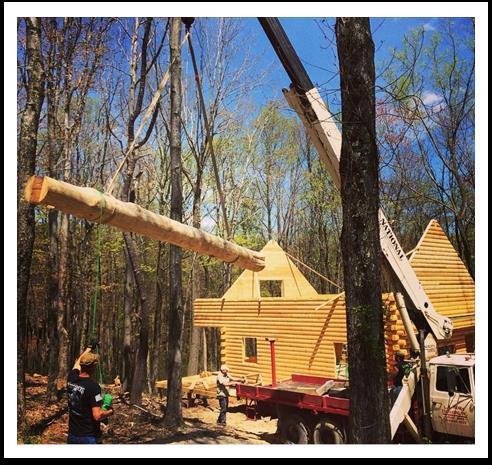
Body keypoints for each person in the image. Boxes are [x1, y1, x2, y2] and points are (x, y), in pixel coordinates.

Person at [67, 346, 113, 444]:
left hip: (72, 435)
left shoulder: (71, 378)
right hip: (88, 437)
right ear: (93, 367)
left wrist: (88, 349)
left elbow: (77, 364)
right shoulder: (93, 387)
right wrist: (110, 411)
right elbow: (97, 416)